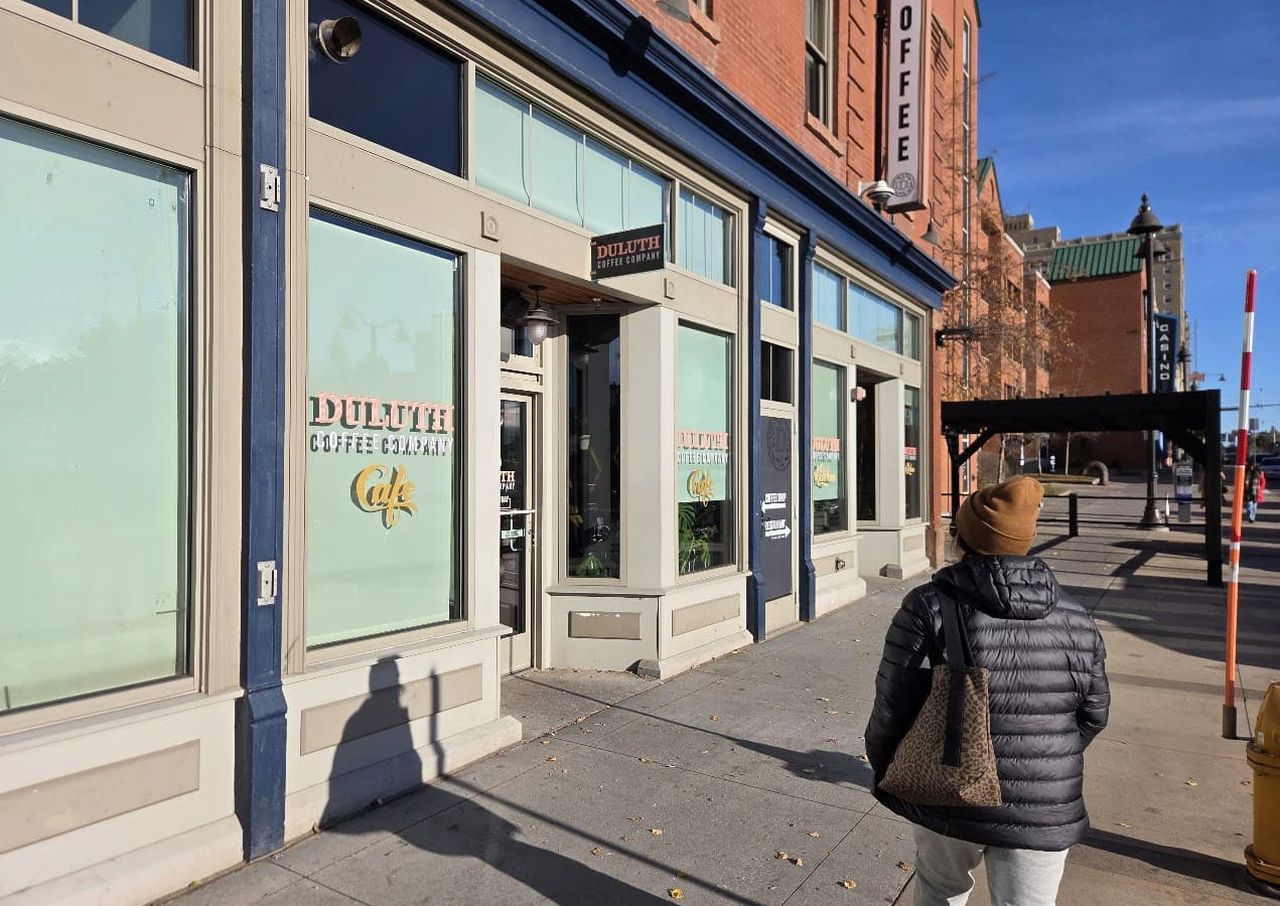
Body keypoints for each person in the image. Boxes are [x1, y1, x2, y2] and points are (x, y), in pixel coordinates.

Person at [865, 476, 1110, 906]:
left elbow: (893, 703)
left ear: (964, 539)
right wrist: (1048, 755)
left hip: (949, 789)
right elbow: (1093, 714)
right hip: (1043, 802)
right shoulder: (1077, 618)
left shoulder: (928, 605)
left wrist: (887, 763)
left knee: (940, 892)